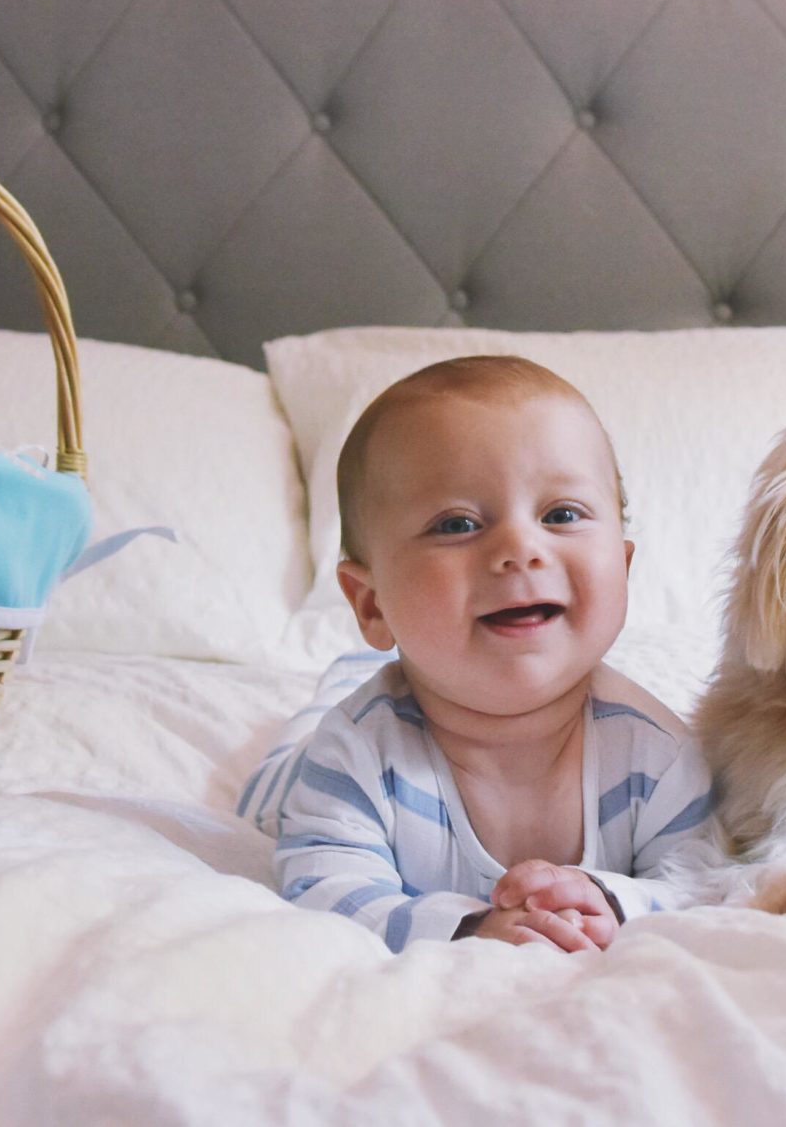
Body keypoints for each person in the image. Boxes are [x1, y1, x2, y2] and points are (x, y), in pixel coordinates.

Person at [273, 356, 713, 953]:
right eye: (457, 524)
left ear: (626, 570)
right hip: (302, 762)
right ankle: (337, 682)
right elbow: (323, 888)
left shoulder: (656, 753)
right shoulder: (353, 752)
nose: (520, 549)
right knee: (278, 776)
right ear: (372, 606)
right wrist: (470, 927)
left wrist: (612, 900)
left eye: (561, 515)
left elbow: (706, 879)